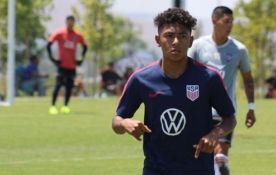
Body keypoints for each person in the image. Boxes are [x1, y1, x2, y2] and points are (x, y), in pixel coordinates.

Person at [112, 8, 236, 175]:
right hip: (156, 170)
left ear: (191, 41)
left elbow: (230, 119)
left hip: (199, 169)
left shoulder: (208, 77)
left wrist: (215, 134)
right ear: (158, 39)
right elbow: (116, 121)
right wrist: (124, 123)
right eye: (169, 36)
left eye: (183, 36)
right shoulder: (141, 79)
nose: (176, 41)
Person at [188, 6, 256, 175]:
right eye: (226, 21)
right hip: (199, 111)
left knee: (220, 156)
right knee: (199, 156)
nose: (230, 25)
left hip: (225, 113)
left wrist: (251, 108)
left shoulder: (239, 50)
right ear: (214, 21)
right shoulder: (198, 46)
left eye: (232, 22)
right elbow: (186, 74)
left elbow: (248, 80)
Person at [47, 15, 87, 114]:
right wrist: (53, 59)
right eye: (69, 21)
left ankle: (65, 106)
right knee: (58, 85)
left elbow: (85, 46)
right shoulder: (60, 33)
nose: (70, 23)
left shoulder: (77, 35)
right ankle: (53, 106)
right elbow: (49, 44)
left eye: (72, 21)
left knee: (69, 87)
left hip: (72, 66)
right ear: (66, 22)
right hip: (62, 66)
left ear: (74, 23)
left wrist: (81, 59)